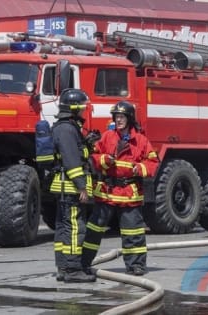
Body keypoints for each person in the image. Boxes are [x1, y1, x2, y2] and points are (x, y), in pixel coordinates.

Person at [82, 101, 159, 276]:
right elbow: (93, 156)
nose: (118, 120)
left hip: (128, 193)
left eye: (122, 117)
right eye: (116, 117)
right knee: (94, 230)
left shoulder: (140, 140)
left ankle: (136, 265)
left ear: (129, 118)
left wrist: (139, 169)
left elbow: (153, 163)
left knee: (133, 232)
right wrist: (103, 160)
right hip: (107, 191)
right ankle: (84, 262)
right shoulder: (107, 137)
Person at [49, 88, 96, 283]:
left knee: (63, 226)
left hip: (63, 186)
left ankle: (63, 267)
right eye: (83, 106)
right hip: (70, 187)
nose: (85, 110)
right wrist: (81, 186)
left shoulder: (64, 127)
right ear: (75, 108)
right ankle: (73, 268)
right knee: (76, 227)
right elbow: (71, 160)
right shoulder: (67, 129)